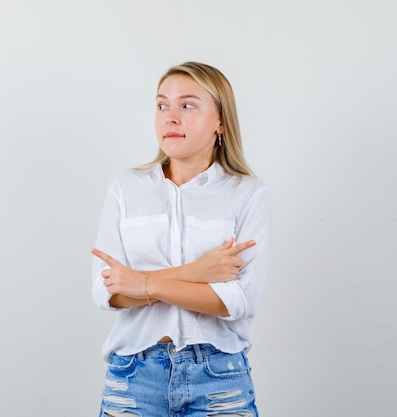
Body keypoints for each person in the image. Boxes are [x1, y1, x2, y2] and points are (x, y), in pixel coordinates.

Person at [91, 61, 271, 417]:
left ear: (221, 121)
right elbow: (106, 291)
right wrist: (201, 271)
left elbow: (236, 300)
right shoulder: (126, 188)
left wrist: (142, 283)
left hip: (218, 379)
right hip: (133, 378)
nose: (170, 117)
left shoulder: (248, 194)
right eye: (162, 105)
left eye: (187, 105)